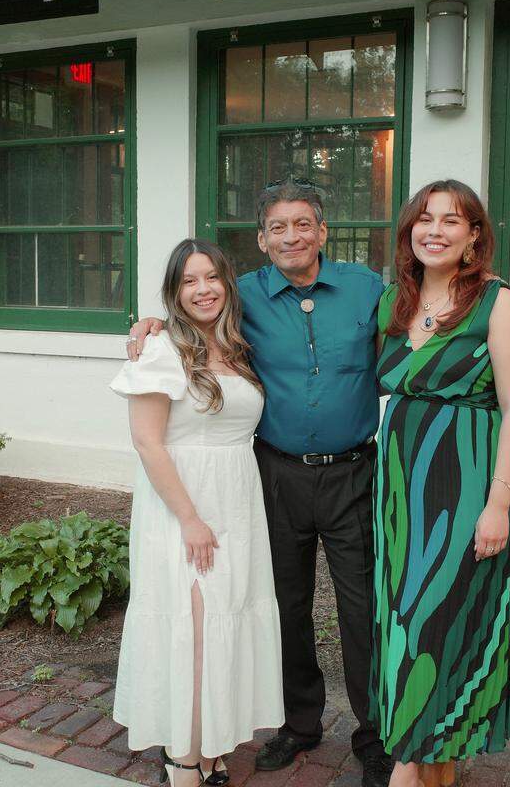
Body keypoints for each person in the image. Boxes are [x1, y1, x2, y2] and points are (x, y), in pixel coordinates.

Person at [128, 177, 394, 787]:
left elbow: (410, 340)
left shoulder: (365, 288)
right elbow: (193, 307)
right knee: (282, 603)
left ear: (322, 231)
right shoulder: (241, 294)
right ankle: (299, 724)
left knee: (362, 607)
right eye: (279, 227)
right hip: (272, 476)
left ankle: (374, 733)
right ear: (262, 239)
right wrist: (150, 324)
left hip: (354, 471)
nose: (293, 236)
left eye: (304, 224)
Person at [371, 180, 510, 787]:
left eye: (452, 220)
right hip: (401, 493)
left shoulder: (496, 302)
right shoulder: (391, 302)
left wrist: (498, 504)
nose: (434, 230)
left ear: (472, 238)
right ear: (410, 230)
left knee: (441, 626)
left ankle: (408, 770)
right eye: (424, 219)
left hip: (466, 487)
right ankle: (423, 765)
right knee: (406, 624)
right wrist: (156, 322)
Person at [110, 239, 284, 787]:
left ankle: (211, 748)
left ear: (227, 284)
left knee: (222, 625)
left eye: (211, 278)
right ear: (173, 292)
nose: (203, 289)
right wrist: (189, 518)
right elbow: (147, 443)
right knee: (192, 631)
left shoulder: (237, 347)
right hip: (182, 506)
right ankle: (183, 759)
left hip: (237, 499)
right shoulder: (161, 350)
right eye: (189, 281)